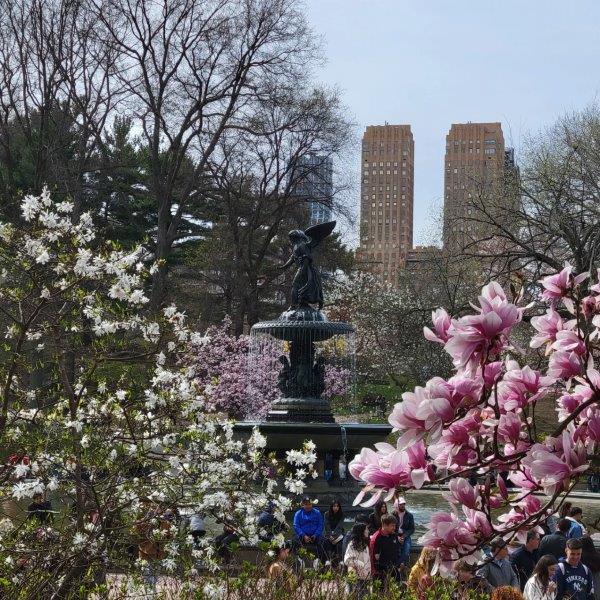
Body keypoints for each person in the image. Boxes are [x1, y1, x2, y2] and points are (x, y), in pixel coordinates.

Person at [292, 497, 326, 562]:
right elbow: (296, 526)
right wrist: (303, 535)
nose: (308, 506)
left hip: (315, 535)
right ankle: (298, 560)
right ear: (303, 505)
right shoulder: (298, 513)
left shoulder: (317, 513)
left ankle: (320, 560)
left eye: (310, 504)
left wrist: (316, 534)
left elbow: (320, 525)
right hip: (302, 535)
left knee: (323, 541)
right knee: (294, 540)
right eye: (306, 504)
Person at [344, 522, 371, 599]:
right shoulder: (352, 545)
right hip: (355, 578)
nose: (368, 531)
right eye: (366, 529)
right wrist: (359, 563)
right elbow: (347, 560)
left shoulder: (365, 545)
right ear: (361, 531)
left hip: (364, 578)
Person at [370, 513, 400, 584]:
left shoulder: (394, 535)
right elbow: (372, 558)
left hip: (393, 569)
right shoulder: (376, 538)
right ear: (384, 525)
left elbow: (396, 550)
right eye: (392, 526)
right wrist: (376, 573)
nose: (394, 528)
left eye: (395, 525)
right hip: (381, 572)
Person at [393, 496, 415, 572]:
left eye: (403, 504)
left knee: (406, 550)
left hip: (405, 535)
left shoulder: (409, 515)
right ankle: (400, 566)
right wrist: (397, 537)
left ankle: (398, 565)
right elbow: (391, 528)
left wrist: (404, 536)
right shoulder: (393, 514)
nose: (402, 506)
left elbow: (412, 529)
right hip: (395, 535)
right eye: (401, 504)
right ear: (397, 505)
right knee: (395, 550)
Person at [323, 499, 345, 564]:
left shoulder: (342, 514)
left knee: (340, 542)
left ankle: (341, 560)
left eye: (337, 506)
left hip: (338, 533)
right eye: (334, 506)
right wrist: (330, 535)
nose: (336, 508)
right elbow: (327, 525)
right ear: (331, 507)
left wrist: (334, 535)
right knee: (326, 542)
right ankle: (327, 560)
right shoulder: (326, 514)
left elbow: (340, 526)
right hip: (329, 533)